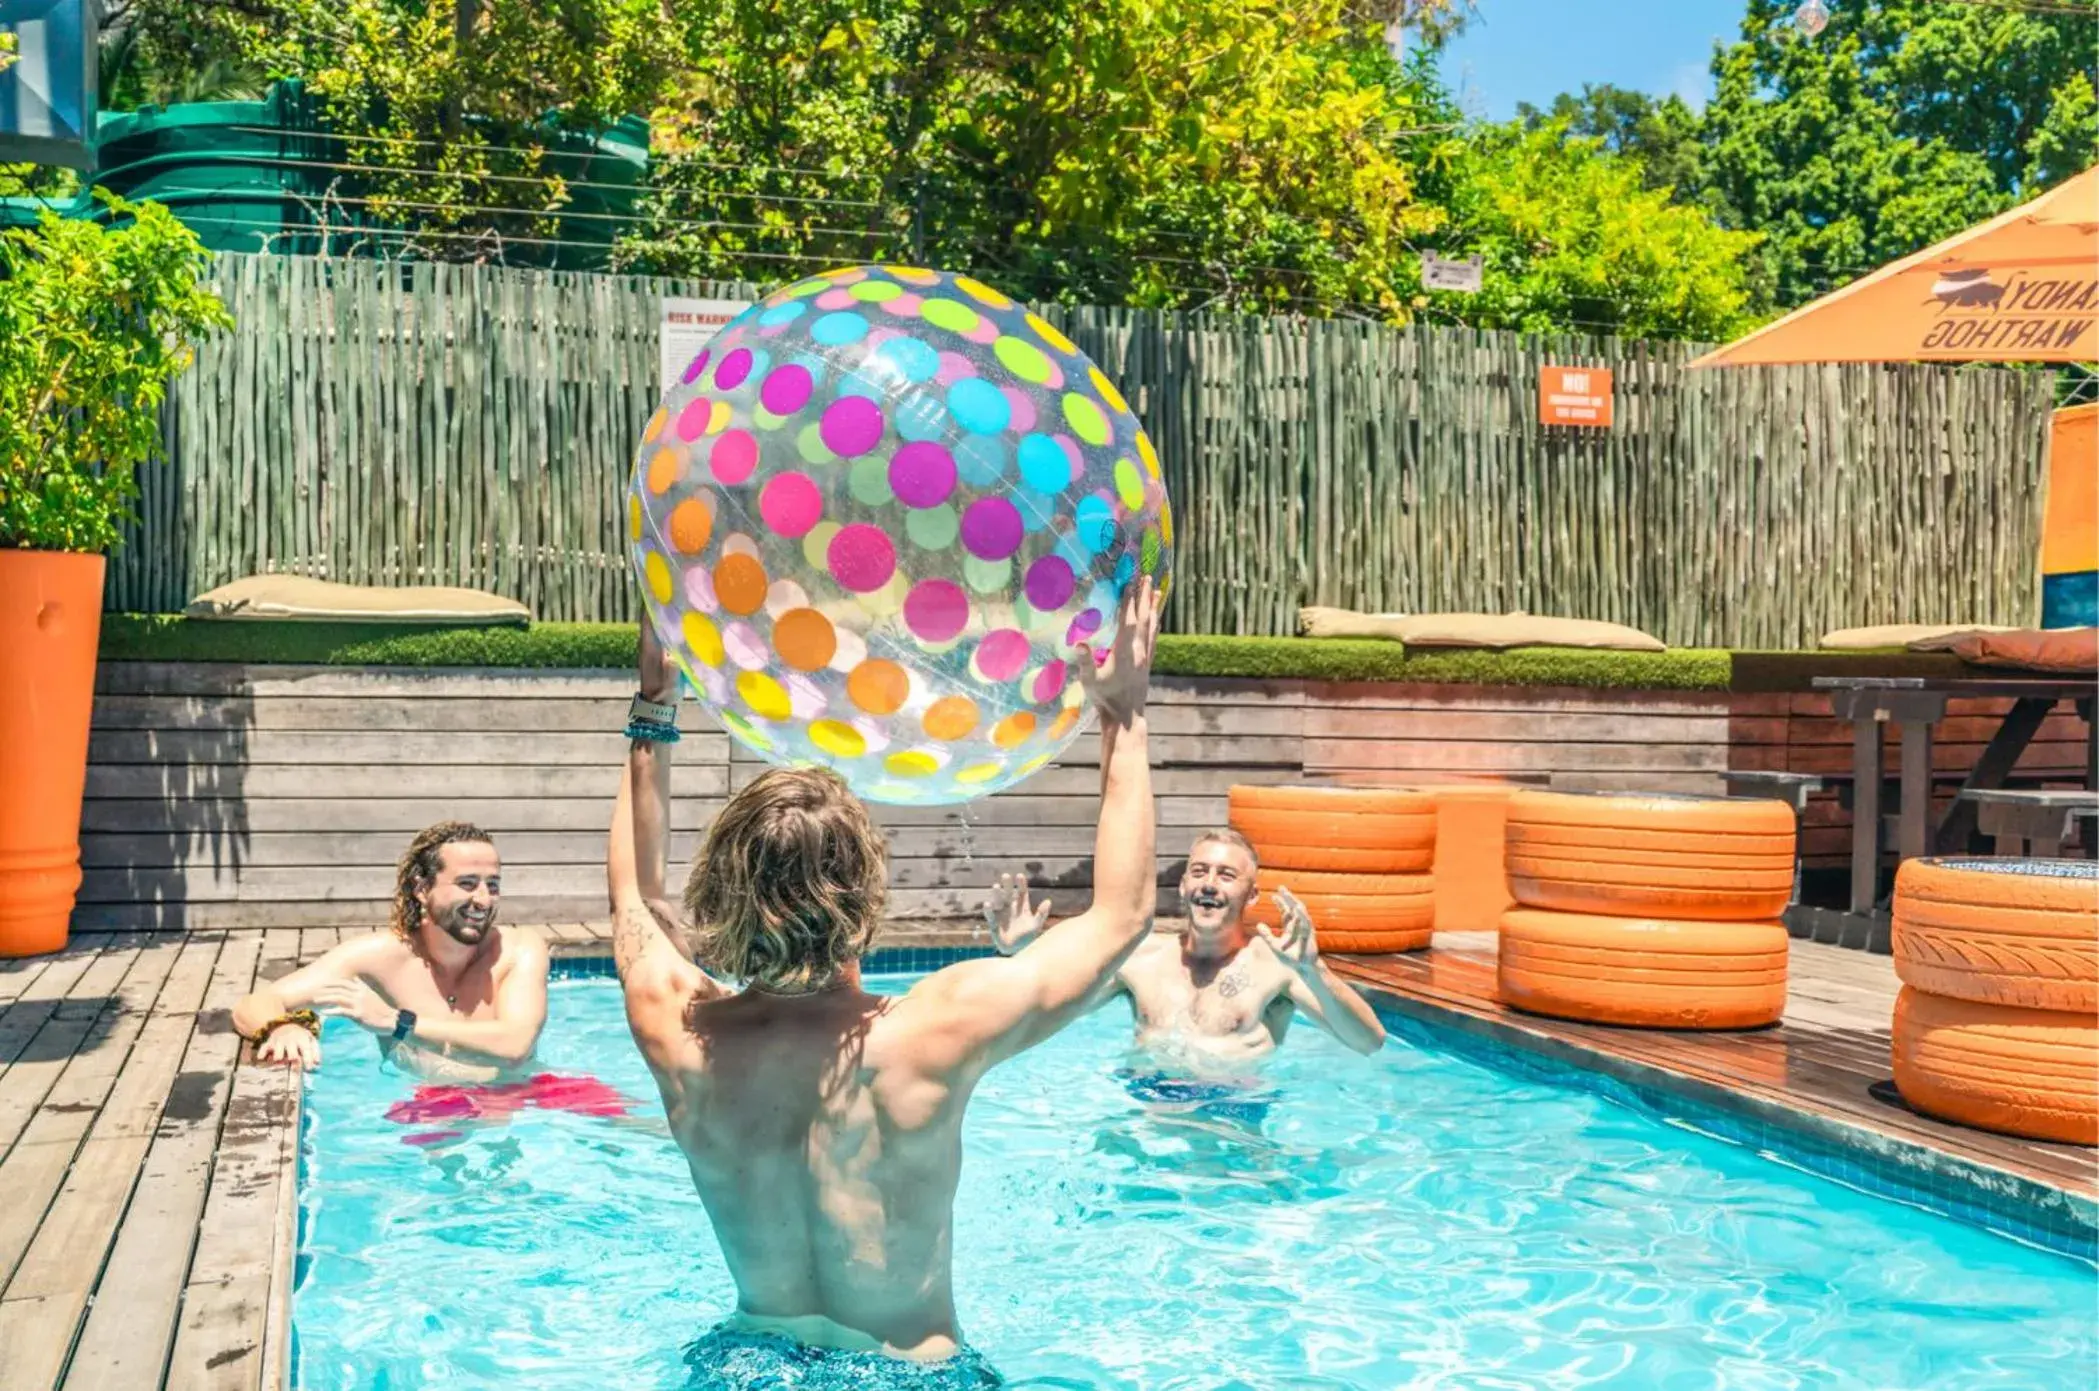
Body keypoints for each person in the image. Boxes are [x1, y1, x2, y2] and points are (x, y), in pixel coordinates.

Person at [607, 577, 1162, 1374]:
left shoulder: (680, 1027)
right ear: (864, 894)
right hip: (912, 1370)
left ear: (722, 889)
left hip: (745, 1363)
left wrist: (654, 701)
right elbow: (1121, 915)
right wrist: (1122, 717)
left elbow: (632, 892)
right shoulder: (938, 1024)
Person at [983, 826, 1387, 1063]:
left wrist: (1313, 971)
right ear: (1183, 885)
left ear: (1250, 896)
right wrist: (1020, 953)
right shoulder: (1140, 958)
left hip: (1233, 1120)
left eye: (1226, 875)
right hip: (1144, 1112)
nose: (1210, 884)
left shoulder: (1275, 966)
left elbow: (1368, 1042)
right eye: (1199, 872)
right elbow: (1053, 1005)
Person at [230, 821, 552, 1086]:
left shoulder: (518, 950)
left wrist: (396, 1022)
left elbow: (515, 1045)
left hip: (526, 1095)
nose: (483, 899)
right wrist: (282, 1027)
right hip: (437, 1111)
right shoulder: (379, 958)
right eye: (467, 884)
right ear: (422, 889)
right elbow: (254, 1004)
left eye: (492, 885)